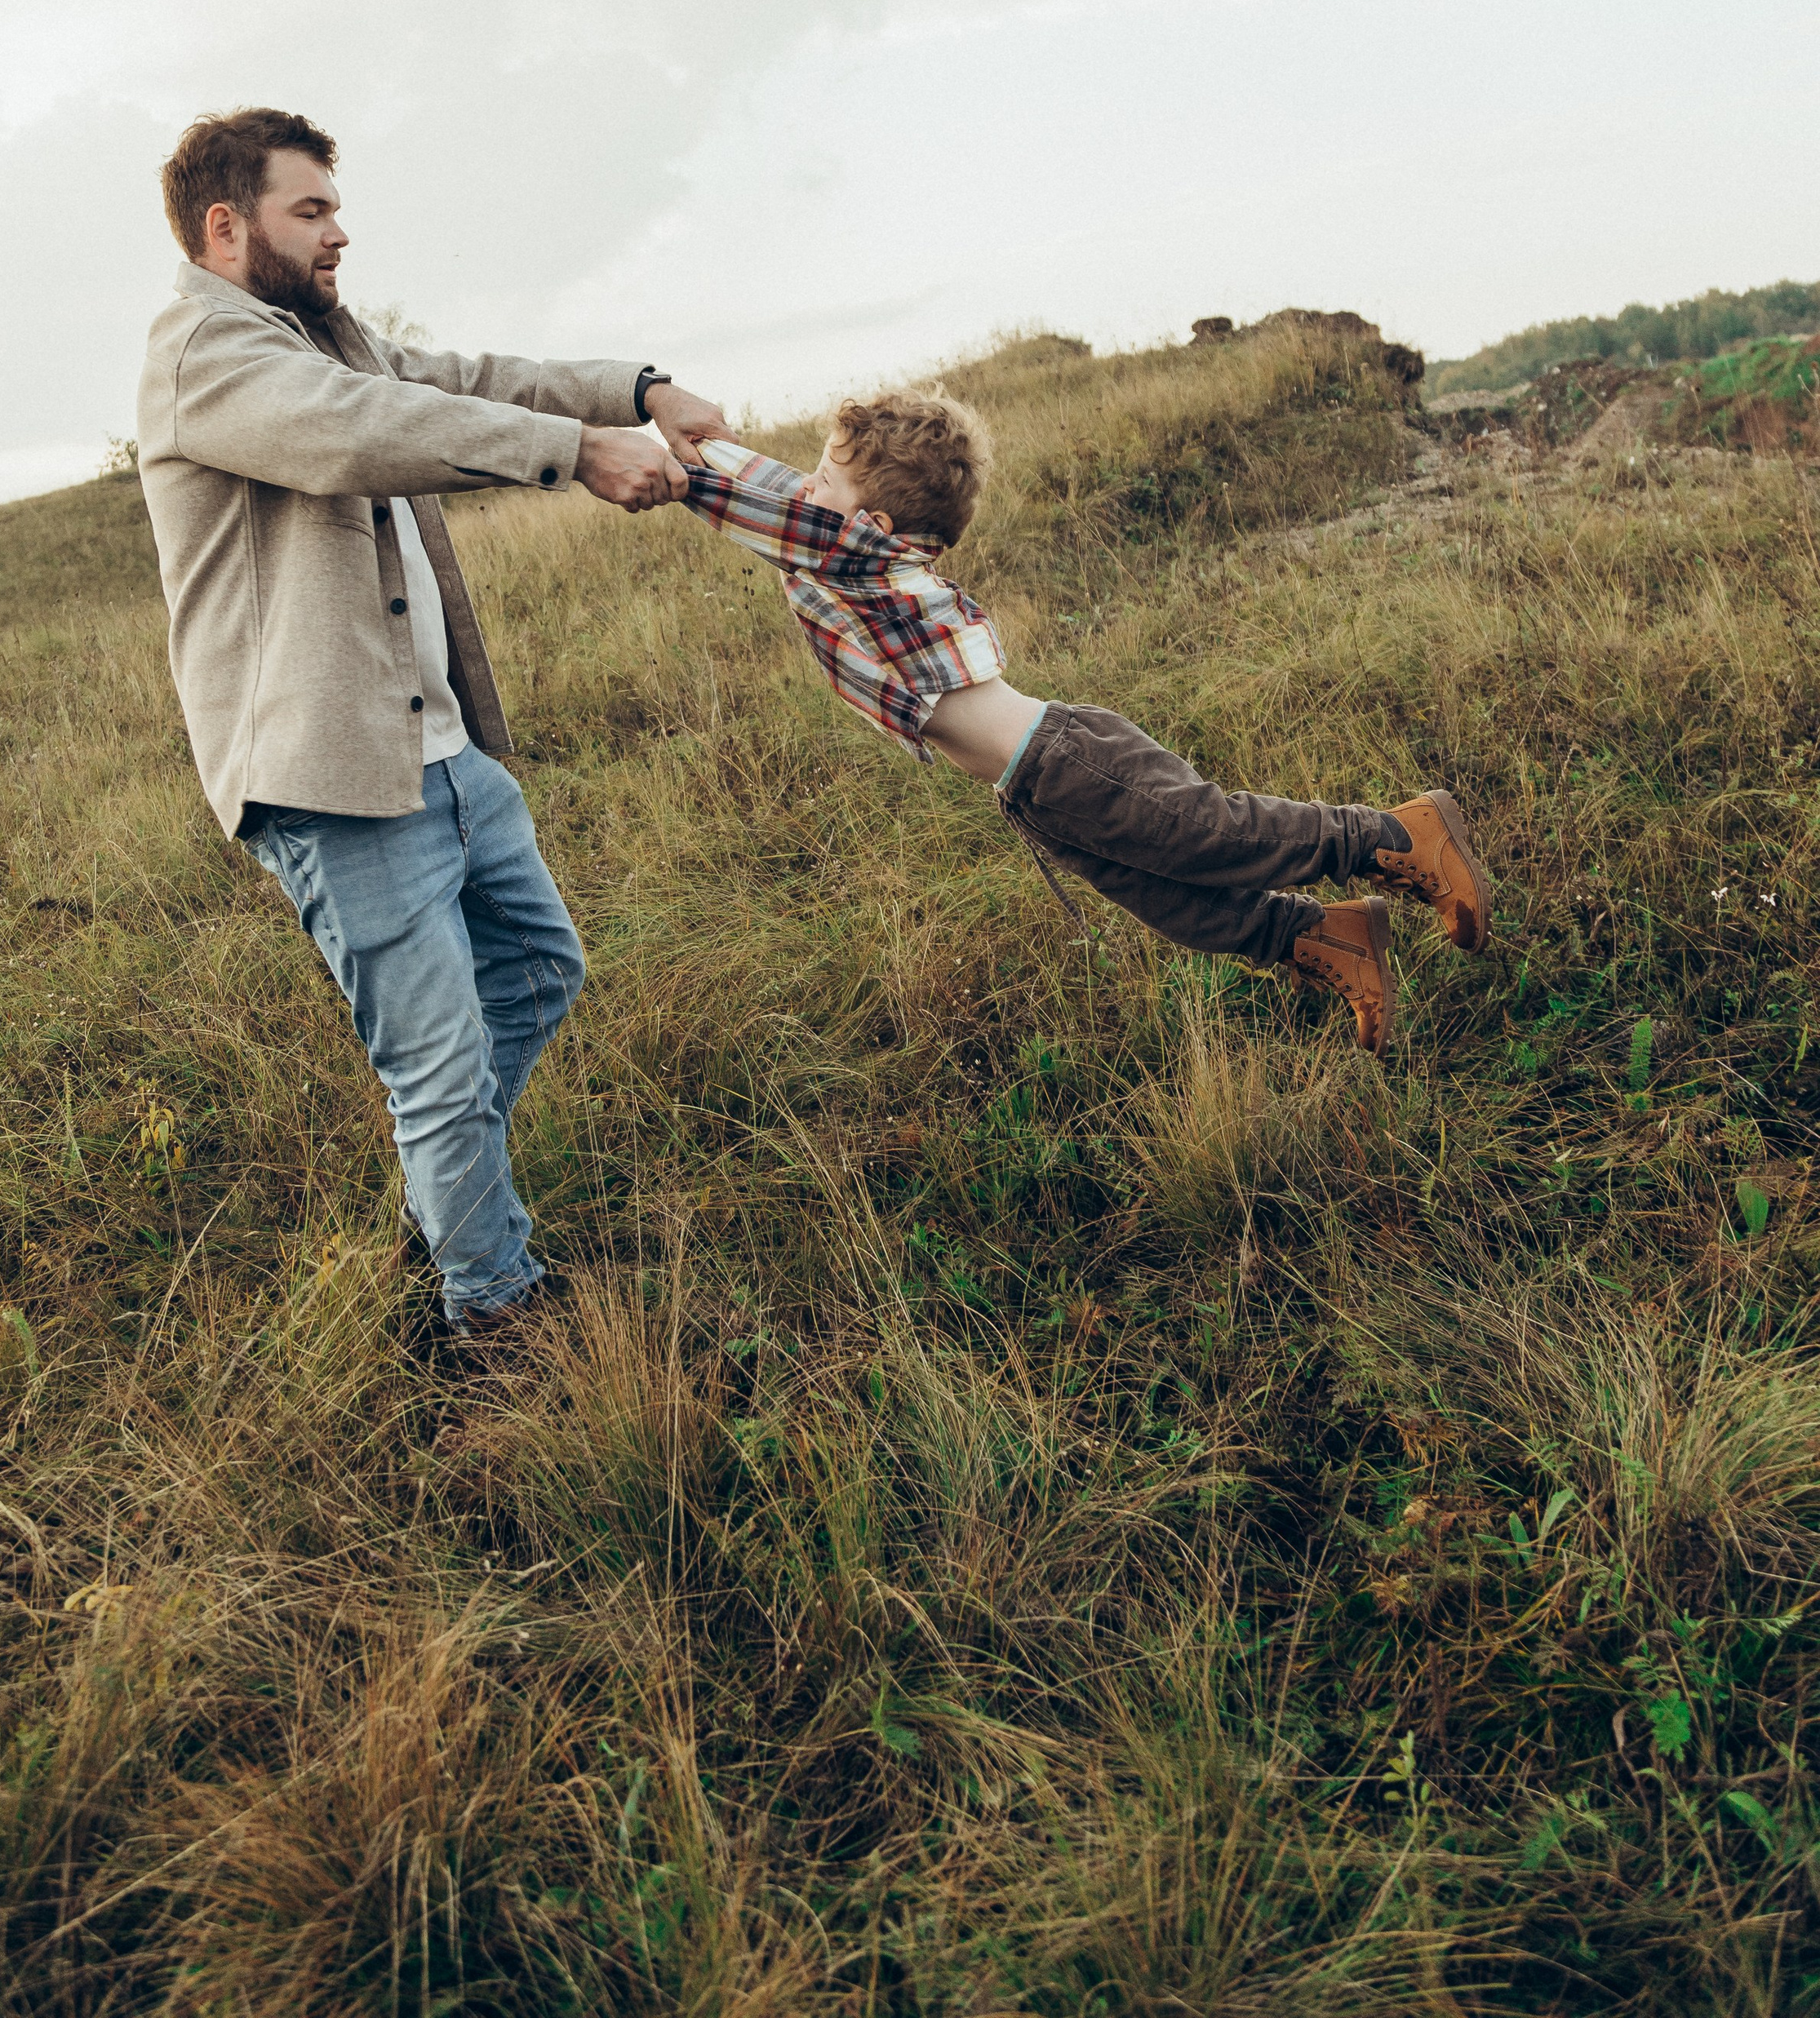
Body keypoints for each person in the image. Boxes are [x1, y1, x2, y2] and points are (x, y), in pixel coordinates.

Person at [135, 105, 731, 1351]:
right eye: (311, 210)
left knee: (538, 973)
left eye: (335, 208)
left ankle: (445, 1194)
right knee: (441, 1070)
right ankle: (494, 1319)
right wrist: (575, 452)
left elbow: (462, 383)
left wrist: (636, 389)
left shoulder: (323, 336)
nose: (339, 232)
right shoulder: (207, 354)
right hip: (336, 779)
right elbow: (364, 433)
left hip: (443, 755)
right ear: (226, 227)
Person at [680, 389, 1491, 1055]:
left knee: (1219, 838)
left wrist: (675, 477)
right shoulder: (840, 550)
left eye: (824, 478)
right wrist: (698, 444)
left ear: (873, 526)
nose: (806, 486)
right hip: (1030, 790)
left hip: (1067, 761)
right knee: (1174, 904)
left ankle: (1396, 835)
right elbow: (775, 493)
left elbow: (776, 513)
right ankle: (1326, 938)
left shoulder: (850, 554)